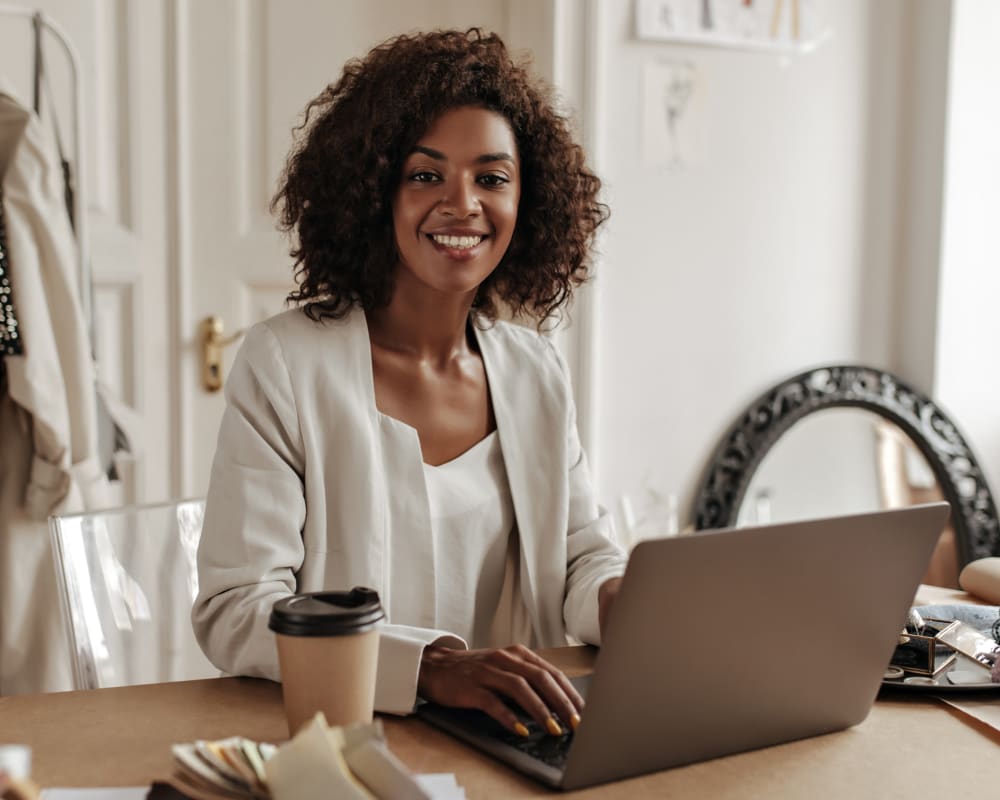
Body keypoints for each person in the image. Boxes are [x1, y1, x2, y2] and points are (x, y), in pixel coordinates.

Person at [192, 28, 626, 739]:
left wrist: (621, 595)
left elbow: (580, 554)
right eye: (426, 175)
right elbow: (237, 609)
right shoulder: (286, 364)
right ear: (373, 192)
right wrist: (426, 667)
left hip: (516, 746)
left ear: (529, 200)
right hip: (346, 748)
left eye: (491, 177)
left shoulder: (534, 369)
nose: (463, 205)